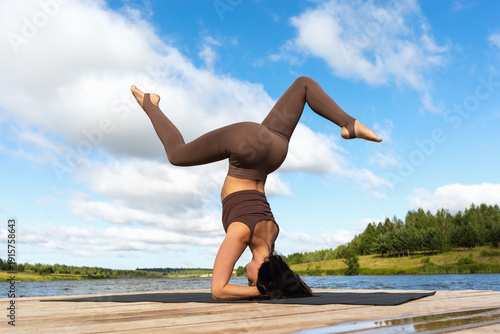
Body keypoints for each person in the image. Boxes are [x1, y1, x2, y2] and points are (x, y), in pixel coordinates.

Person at [131, 76, 382, 299]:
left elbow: (275, 272)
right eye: (250, 279)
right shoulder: (241, 233)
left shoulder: (273, 232)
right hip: (245, 145)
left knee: (303, 85)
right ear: (262, 275)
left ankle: (349, 123)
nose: (245, 275)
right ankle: (150, 104)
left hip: (274, 150)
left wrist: (281, 285)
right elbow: (218, 290)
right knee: (177, 154)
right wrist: (261, 291)